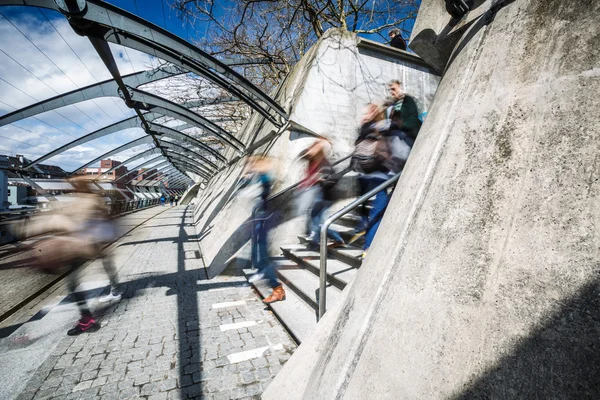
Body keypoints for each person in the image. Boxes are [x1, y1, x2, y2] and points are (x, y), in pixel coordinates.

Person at [351, 103, 408, 259]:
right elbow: (399, 154)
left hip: (369, 175)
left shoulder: (367, 130)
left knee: (368, 207)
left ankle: (363, 229)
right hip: (380, 176)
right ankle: (367, 246)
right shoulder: (384, 129)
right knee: (376, 212)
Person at [241, 156, 285, 304]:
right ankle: (263, 274)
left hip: (263, 219)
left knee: (263, 255)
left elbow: (257, 192)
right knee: (255, 252)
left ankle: (277, 288)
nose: (250, 166)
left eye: (253, 163)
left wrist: (251, 172)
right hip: (257, 219)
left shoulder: (264, 177)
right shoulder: (256, 177)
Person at [299, 139, 345, 249]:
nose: (311, 150)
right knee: (315, 222)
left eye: (314, 148)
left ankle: (321, 243)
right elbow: (302, 156)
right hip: (317, 195)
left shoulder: (324, 163)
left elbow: (328, 178)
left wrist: (320, 179)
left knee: (317, 223)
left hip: (324, 196)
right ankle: (319, 243)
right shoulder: (313, 162)